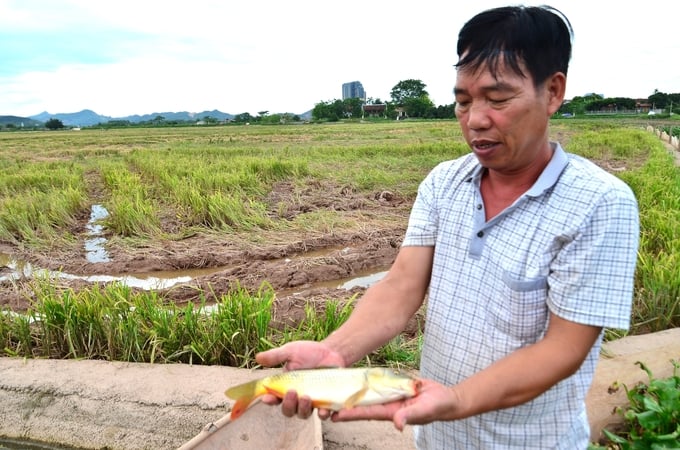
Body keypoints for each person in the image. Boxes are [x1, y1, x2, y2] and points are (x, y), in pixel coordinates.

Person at [256, 5, 640, 449]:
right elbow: (401, 285)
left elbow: (564, 348)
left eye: (497, 99)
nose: (476, 118)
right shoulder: (445, 183)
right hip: (437, 438)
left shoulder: (599, 203)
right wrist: (336, 351)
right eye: (463, 101)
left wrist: (456, 399)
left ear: (553, 92)